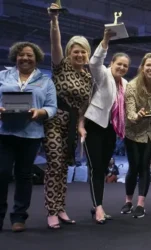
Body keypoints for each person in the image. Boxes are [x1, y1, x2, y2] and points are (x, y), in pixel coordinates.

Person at [44, 3, 92, 229]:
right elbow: (55, 43)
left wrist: (81, 126)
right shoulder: (60, 66)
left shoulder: (87, 78)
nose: (80, 54)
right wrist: (54, 21)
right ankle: (51, 210)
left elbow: (83, 107)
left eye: (83, 51)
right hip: (54, 120)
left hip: (72, 124)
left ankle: (61, 207)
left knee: (63, 167)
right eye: (76, 50)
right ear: (69, 52)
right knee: (54, 164)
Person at [0, 42, 57, 232]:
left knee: (24, 176)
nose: (25, 58)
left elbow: (52, 107)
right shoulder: (2, 76)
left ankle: (19, 217)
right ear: (16, 57)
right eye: (21, 55)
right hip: (4, 132)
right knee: (2, 174)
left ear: (36, 58)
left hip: (31, 134)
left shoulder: (46, 80)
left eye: (29, 55)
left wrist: (39, 112)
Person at [83, 28, 130, 224]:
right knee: (95, 168)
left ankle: (97, 205)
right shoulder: (102, 74)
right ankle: (99, 207)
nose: (122, 68)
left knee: (102, 169)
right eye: (119, 64)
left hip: (111, 130)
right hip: (94, 125)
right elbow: (94, 61)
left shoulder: (125, 84)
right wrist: (105, 39)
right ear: (112, 63)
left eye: (125, 66)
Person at [120, 53, 151, 218]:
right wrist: (137, 116)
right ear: (142, 67)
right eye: (149, 65)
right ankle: (127, 201)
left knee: (144, 166)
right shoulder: (132, 86)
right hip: (133, 132)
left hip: (150, 133)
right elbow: (130, 112)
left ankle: (141, 204)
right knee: (134, 166)